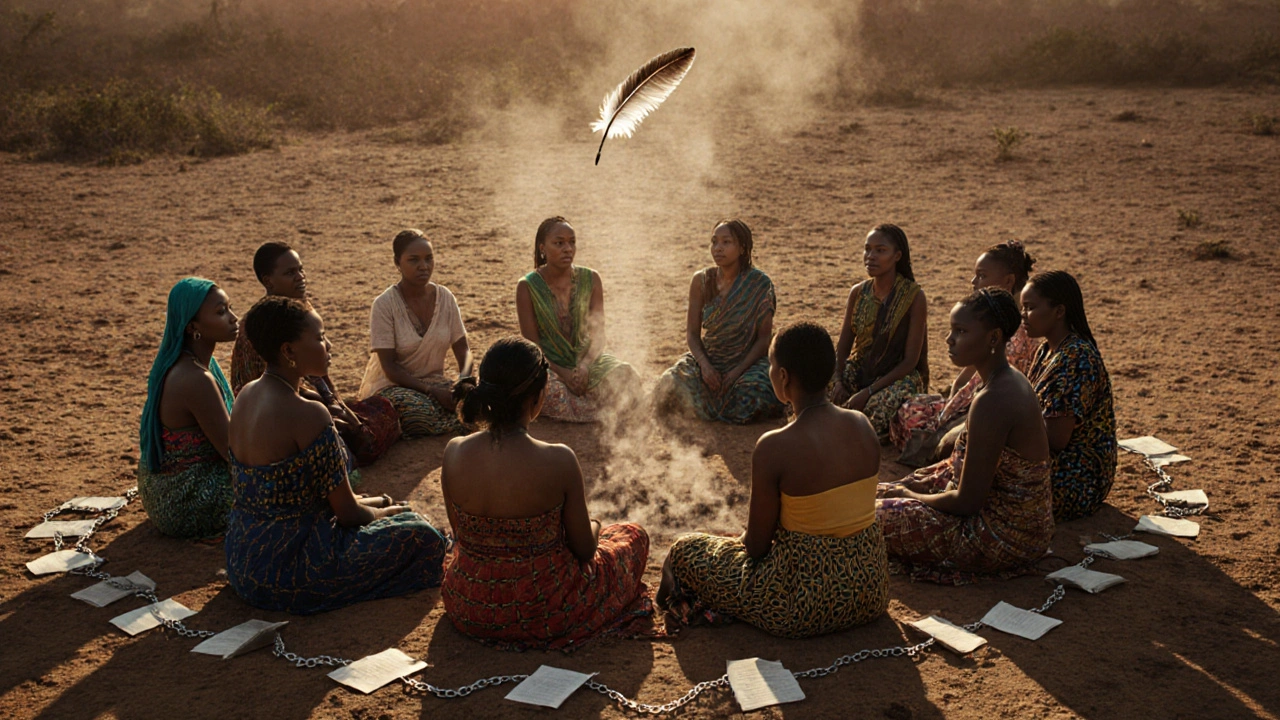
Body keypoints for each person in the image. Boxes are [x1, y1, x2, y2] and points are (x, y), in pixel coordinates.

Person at [658, 323, 889, 637]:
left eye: (770, 366)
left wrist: (730, 546)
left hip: (801, 604)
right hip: (869, 591)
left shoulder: (775, 446)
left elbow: (755, 547)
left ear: (783, 377)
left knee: (683, 551)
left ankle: (667, 603)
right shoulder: (862, 425)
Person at [225, 296, 448, 614]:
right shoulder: (308, 413)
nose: (328, 346)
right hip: (291, 569)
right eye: (320, 338)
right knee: (421, 534)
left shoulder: (246, 396)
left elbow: (295, 497)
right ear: (288, 351)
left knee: (381, 505)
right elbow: (348, 515)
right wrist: (390, 512)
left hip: (243, 560)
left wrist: (377, 503)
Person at [440, 337, 652, 651]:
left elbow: (460, 534)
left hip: (469, 603)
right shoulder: (558, 459)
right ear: (538, 396)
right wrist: (595, 525)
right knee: (632, 536)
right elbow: (585, 550)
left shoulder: (454, 451)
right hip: (544, 608)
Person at [876, 289, 1053, 583]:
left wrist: (910, 495)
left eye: (960, 331)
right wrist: (916, 486)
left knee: (866, 519)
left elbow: (967, 502)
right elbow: (967, 467)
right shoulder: (1002, 379)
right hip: (1022, 526)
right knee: (878, 494)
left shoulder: (995, 398)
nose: (949, 339)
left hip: (1004, 536)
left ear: (993, 338)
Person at [230, 241, 400, 466]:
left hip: (311, 400)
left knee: (385, 410)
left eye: (301, 270)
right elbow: (270, 384)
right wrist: (328, 409)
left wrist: (338, 407)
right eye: (290, 273)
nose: (300, 277)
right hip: (280, 416)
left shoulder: (301, 310)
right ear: (268, 280)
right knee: (352, 441)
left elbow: (319, 378)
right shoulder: (259, 326)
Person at [890, 241, 1038, 462]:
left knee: (925, 425)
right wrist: (950, 405)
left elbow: (987, 393)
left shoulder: (1016, 337)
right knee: (909, 408)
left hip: (985, 412)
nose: (973, 282)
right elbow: (966, 377)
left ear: (1008, 281)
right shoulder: (997, 321)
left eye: (982, 276)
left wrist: (950, 414)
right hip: (969, 403)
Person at [136, 277, 238, 539]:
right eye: (221, 312)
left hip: (163, 489)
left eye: (230, 308)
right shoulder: (195, 378)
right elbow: (233, 453)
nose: (233, 318)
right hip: (185, 499)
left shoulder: (195, 362)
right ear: (193, 327)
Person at [655, 219, 784, 424]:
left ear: (742, 248)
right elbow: (692, 334)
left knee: (753, 393)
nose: (718, 248)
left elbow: (763, 339)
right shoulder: (701, 281)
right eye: (714, 242)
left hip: (747, 362)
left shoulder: (760, 284)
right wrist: (705, 367)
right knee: (670, 384)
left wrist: (735, 372)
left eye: (726, 242)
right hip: (709, 358)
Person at [515, 217, 639, 422]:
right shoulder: (527, 286)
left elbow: (598, 335)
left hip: (587, 363)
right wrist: (563, 373)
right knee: (547, 391)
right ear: (542, 248)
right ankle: (600, 410)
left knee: (627, 376)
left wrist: (585, 366)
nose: (568, 249)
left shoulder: (592, 279)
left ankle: (584, 407)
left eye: (572, 242)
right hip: (549, 365)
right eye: (559, 243)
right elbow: (532, 346)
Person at [1021, 271, 1117, 522]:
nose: (1023, 315)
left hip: (1077, 479)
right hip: (1053, 462)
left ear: (1059, 311)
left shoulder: (1075, 357)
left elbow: (1056, 439)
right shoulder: (1046, 350)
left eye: (1030, 307)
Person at [357, 229, 473, 437]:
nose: (424, 266)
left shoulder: (445, 298)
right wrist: (432, 392)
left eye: (429, 259)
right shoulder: (384, 304)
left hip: (435, 382)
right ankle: (448, 421)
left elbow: (463, 349)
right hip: (396, 386)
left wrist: (464, 380)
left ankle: (449, 418)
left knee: (480, 400)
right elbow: (390, 367)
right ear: (397, 263)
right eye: (414, 260)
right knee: (417, 413)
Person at [831, 224, 929, 441]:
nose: (871, 256)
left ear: (897, 256)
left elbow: (910, 361)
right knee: (815, 385)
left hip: (897, 376)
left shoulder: (913, 297)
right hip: (861, 369)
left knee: (878, 408)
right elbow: (843, 347)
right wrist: (838, 381)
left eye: (880, 250)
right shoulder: (858, 292)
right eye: (867, 249)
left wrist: (868, 392)